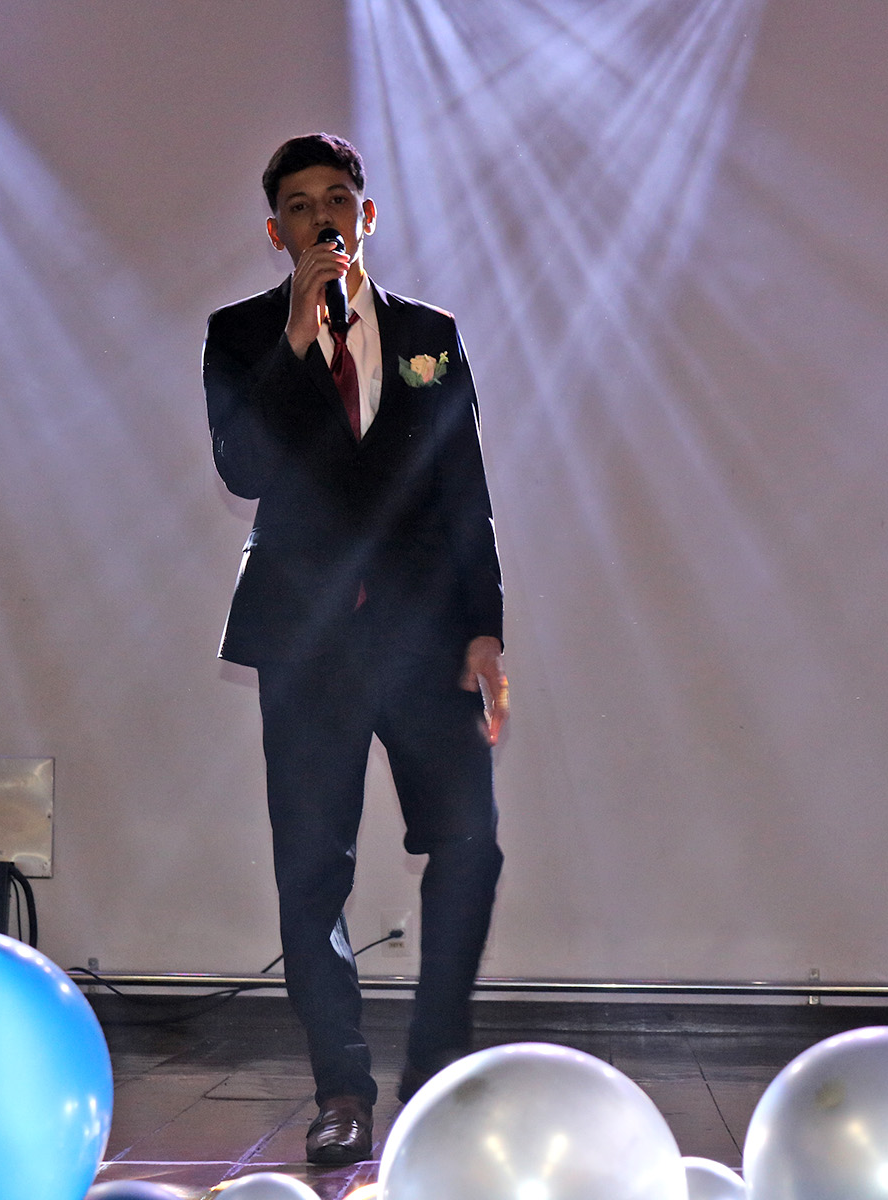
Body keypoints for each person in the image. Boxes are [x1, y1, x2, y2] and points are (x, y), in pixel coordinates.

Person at [202, 133, 510, 1165]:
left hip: (426, 638)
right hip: (307, 645)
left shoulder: (430, 334)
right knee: (311, 874)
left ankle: (435, 1073)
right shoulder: (239, 335)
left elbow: (464, 487)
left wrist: (484, 628)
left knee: (468, 843)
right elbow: (245, 467)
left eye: (336, 198)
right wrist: (295, 338)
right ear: (276, 231)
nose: (321, 217)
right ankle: (341, 1090)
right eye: (299, 205)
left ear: (366, 215)